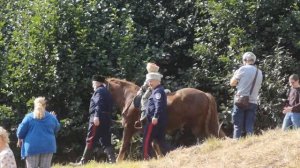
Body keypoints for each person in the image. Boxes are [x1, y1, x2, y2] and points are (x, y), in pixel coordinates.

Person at [70, 75, 115, 166]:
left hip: (97, 118)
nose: (92, 85)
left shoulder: (98, 91)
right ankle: (112, 161)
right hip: (106, 118)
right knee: (105, 139)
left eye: (93, 83)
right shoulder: (107, 92)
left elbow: (98, 104)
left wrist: (96, 116)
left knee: (91, 138)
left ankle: (83, 162)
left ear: (98, 83)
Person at [16, 97, 60, 168]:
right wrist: (55, 118)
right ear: (45, 105)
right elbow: (57, 128)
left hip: (32, 147)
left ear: (34, 105)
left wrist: (20, 138)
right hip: (48, 146)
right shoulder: (51, 117)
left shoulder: (28, 117)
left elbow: (20, 132)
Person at [230, 52, 263, 139]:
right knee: (249, 126)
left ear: (244, 60)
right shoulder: (259, 72)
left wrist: (235, 75)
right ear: (254, 61)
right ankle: (251, 143)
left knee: (238, 126)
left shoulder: (242, 69)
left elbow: (232, 83)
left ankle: (236, 143)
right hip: (253, 101)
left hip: (241, 100)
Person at [143, 72, 168, 159]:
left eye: (151, 81)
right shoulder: (157, 90)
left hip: (153, 120)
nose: (149, 83)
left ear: (157, 81)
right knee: (161, 141)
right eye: (149, 81)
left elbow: (159, 105)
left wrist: (155, 116)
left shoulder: (157, 91)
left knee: (147, 140)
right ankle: (167, 156)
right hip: (159, 120)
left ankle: (147, 159)